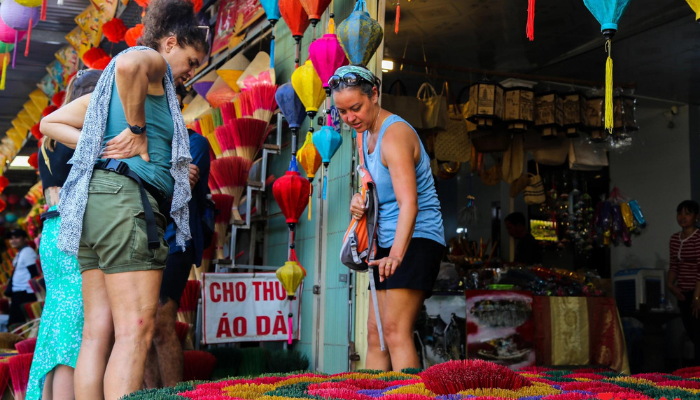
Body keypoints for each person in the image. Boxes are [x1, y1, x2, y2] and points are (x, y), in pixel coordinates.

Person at [39, 0, 208, 396]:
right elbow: (130, 63)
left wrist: (96, 150)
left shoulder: (109, 90)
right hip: (125, 204)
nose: (192, 71)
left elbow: (51, 122)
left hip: (94, 206)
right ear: (170, 43)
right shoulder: (148, 61)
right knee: (135, 329)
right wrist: (136, 129)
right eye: (192, 59)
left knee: (99, 332)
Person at [331, 65, 446, 371]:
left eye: (356, 108)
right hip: (387, 240)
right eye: (342, 112)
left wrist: (396, 255)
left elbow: (410, 203)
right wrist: (360, 201)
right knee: (375, 335)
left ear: (375, 95)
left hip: (416, 239)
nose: (350, 118)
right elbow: (374, 188)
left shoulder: (394, 134)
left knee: (395, 332)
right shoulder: (362, 134)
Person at [27, 69, 102, 400]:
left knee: (56, 327)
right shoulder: (82, 133)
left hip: (51, 233)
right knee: (75, 331)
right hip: (75, 231)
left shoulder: (49, 139)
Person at [144, 86, 211, 388]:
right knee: (139, 328)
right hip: (140, 238)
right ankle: (147, 395)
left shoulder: (195, 143)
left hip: (175, 240)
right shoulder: (139, 141)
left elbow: (175, 196)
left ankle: (171, 395)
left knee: (160, 325)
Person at [668, 200, 700, 366]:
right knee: (691, 331)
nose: (682, 217)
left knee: (697, 333)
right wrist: (671, 285)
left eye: (688, 213)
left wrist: (696, 297)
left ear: (696, 217)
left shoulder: (698, 238)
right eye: (680, 213)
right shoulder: (674, 239)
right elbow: (674, 265)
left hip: (697, 293)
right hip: (683, 293)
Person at [5, 229, 38, 327]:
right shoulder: (20, 252)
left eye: (17, 238)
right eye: (11, 239)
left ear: (25, 239)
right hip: (19, 293)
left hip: (25, 293)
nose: (13, 241)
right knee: (15, 324)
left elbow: (34, 273)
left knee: (18, 324)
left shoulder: (27, 251)